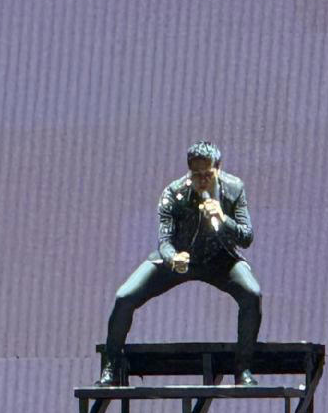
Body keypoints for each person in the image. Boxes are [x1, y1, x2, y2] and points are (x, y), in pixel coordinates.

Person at [97, 141, 262, 386]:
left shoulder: (234, 188)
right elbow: (164, 240)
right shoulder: (174, 194)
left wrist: (223, 218)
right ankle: (111, 365)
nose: (202, 181)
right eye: (196, 175)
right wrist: (173, 258)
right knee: (124, 296)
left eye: (208, 175)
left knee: (252, 294)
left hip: (219, 259)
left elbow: (246, 237)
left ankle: (243, 368)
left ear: (218, 169)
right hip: (181, 259)